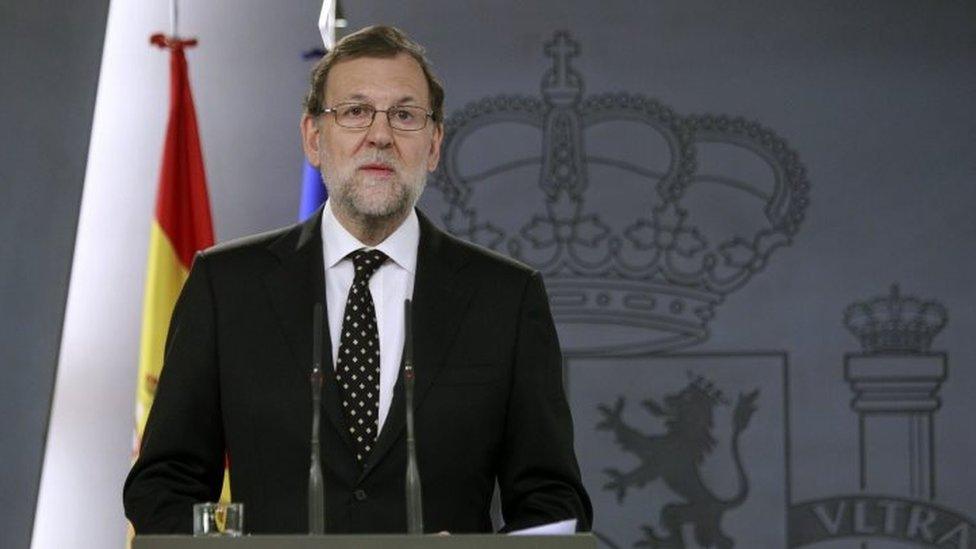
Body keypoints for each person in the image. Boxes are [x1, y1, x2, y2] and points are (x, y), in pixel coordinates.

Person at [124, 25, 592, 535]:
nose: (381, 134)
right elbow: (163, 483)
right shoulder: (226, 286)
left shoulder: (505, 298)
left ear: (434, 146)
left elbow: (552, 499)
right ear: (313, 138)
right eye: (354, 112)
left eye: (406, 115)